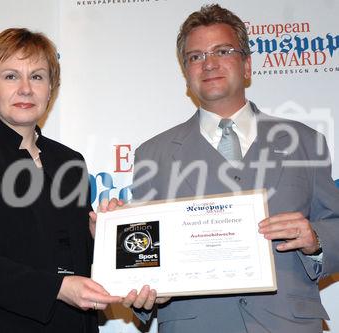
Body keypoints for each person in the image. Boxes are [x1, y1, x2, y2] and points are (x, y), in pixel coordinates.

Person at [110, 4, 339, 333]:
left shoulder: (305, 142)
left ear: (246, 65)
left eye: (222, 51)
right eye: (195, 56)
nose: (209, 64)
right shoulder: (153, 155)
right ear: (186, 74)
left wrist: (315, 238)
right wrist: (139, 288)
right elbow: (146, 262)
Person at [0, 28, 121, 333]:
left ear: (52, 88)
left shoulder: (70, 163)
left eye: (38, 76)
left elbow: (72, 263)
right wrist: (56, 288)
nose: (26, 89)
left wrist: (102, 238)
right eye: (10, 76)